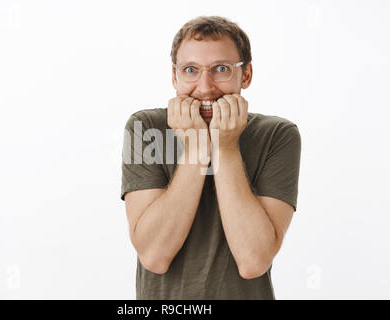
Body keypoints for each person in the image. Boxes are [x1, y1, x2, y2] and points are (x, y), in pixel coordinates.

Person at [120, 16, 301, 300]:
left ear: (246, 74)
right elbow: (154, 256)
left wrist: (225, 147)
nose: (205, 87)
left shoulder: (278, 135)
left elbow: (253, 261)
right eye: (191, 69)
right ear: (174, 77)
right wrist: (195, 149)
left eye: (221, 69)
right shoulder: (145, 127)